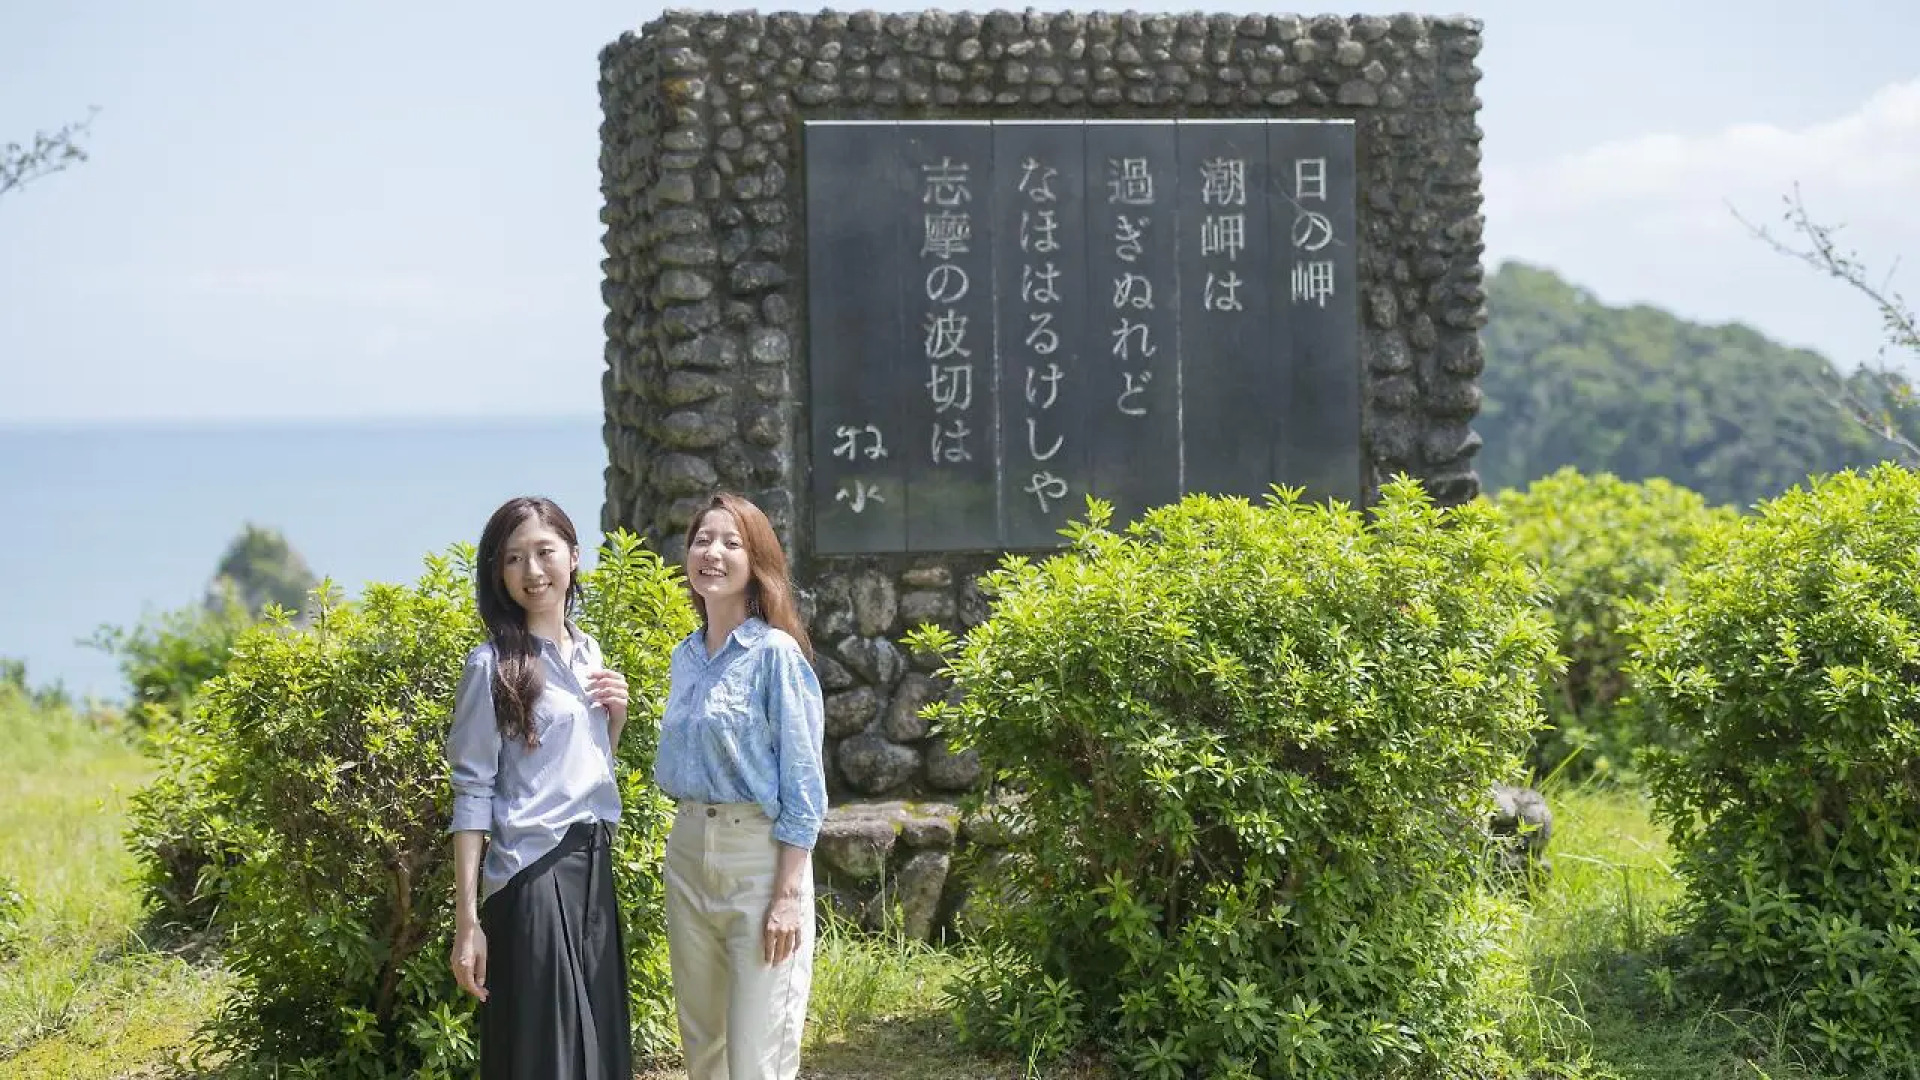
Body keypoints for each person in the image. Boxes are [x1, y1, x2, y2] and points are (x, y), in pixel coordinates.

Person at [445, 496, 634, 1079]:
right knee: (545, 1057)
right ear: (497, 574)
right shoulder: (492, 666)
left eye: (545, 552)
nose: (532, 571)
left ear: (573, 558)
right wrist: (467, 921)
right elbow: (472, 794)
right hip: (532, 874)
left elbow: (581, 771)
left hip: (592, 868)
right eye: (513, 559)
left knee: (598, 1050)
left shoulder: (589, 653)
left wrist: (616, 720)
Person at [654, 492, 828, 1080]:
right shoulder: (684, 658)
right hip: (688, 856)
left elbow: (805, 787)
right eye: (703, 540)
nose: (713, 553)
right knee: (703, 1048)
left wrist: (786, 896)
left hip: (759, 861)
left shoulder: (775, 655)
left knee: (758, 1057)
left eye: (731, 543)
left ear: (756, 563)